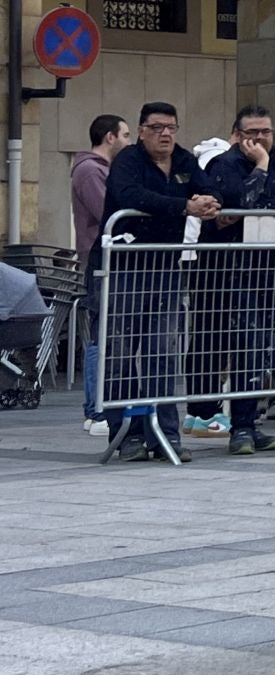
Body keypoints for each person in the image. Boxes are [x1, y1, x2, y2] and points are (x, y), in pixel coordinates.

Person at [101, 102, 221, 462]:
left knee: (162, 354)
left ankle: (165, 435)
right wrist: (185, 206)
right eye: (156, 127)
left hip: (166, 269)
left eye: (171, 127)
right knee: (119, 355)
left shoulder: (185, 161)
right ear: (141, 131)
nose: (165, 134)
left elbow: (208, 190)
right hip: (124, 268)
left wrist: (209, 201)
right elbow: (131, 197)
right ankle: (126, 435)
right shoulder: (128, 161)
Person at [190, 106, 275, 454]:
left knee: (261, 346)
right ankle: (232, 423)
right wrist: (261, 168)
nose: (260, 139)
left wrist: (260, 195)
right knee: (237, 344)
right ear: (237, 135)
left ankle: (250, 424)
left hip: (272, 269)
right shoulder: (224, 164)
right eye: (252, 132)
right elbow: (240, 207)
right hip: (232, 272)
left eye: (266, 132)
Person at [72, 112, 131, 434]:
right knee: (101, 335)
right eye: (124, 135)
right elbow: (108, 212)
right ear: (109, 137)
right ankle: (97, 410)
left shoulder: (101, 171)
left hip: (109, 261)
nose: (128, 141)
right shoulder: (90, 171)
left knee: (109, 333)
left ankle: (104, 406)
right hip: (100, 262)